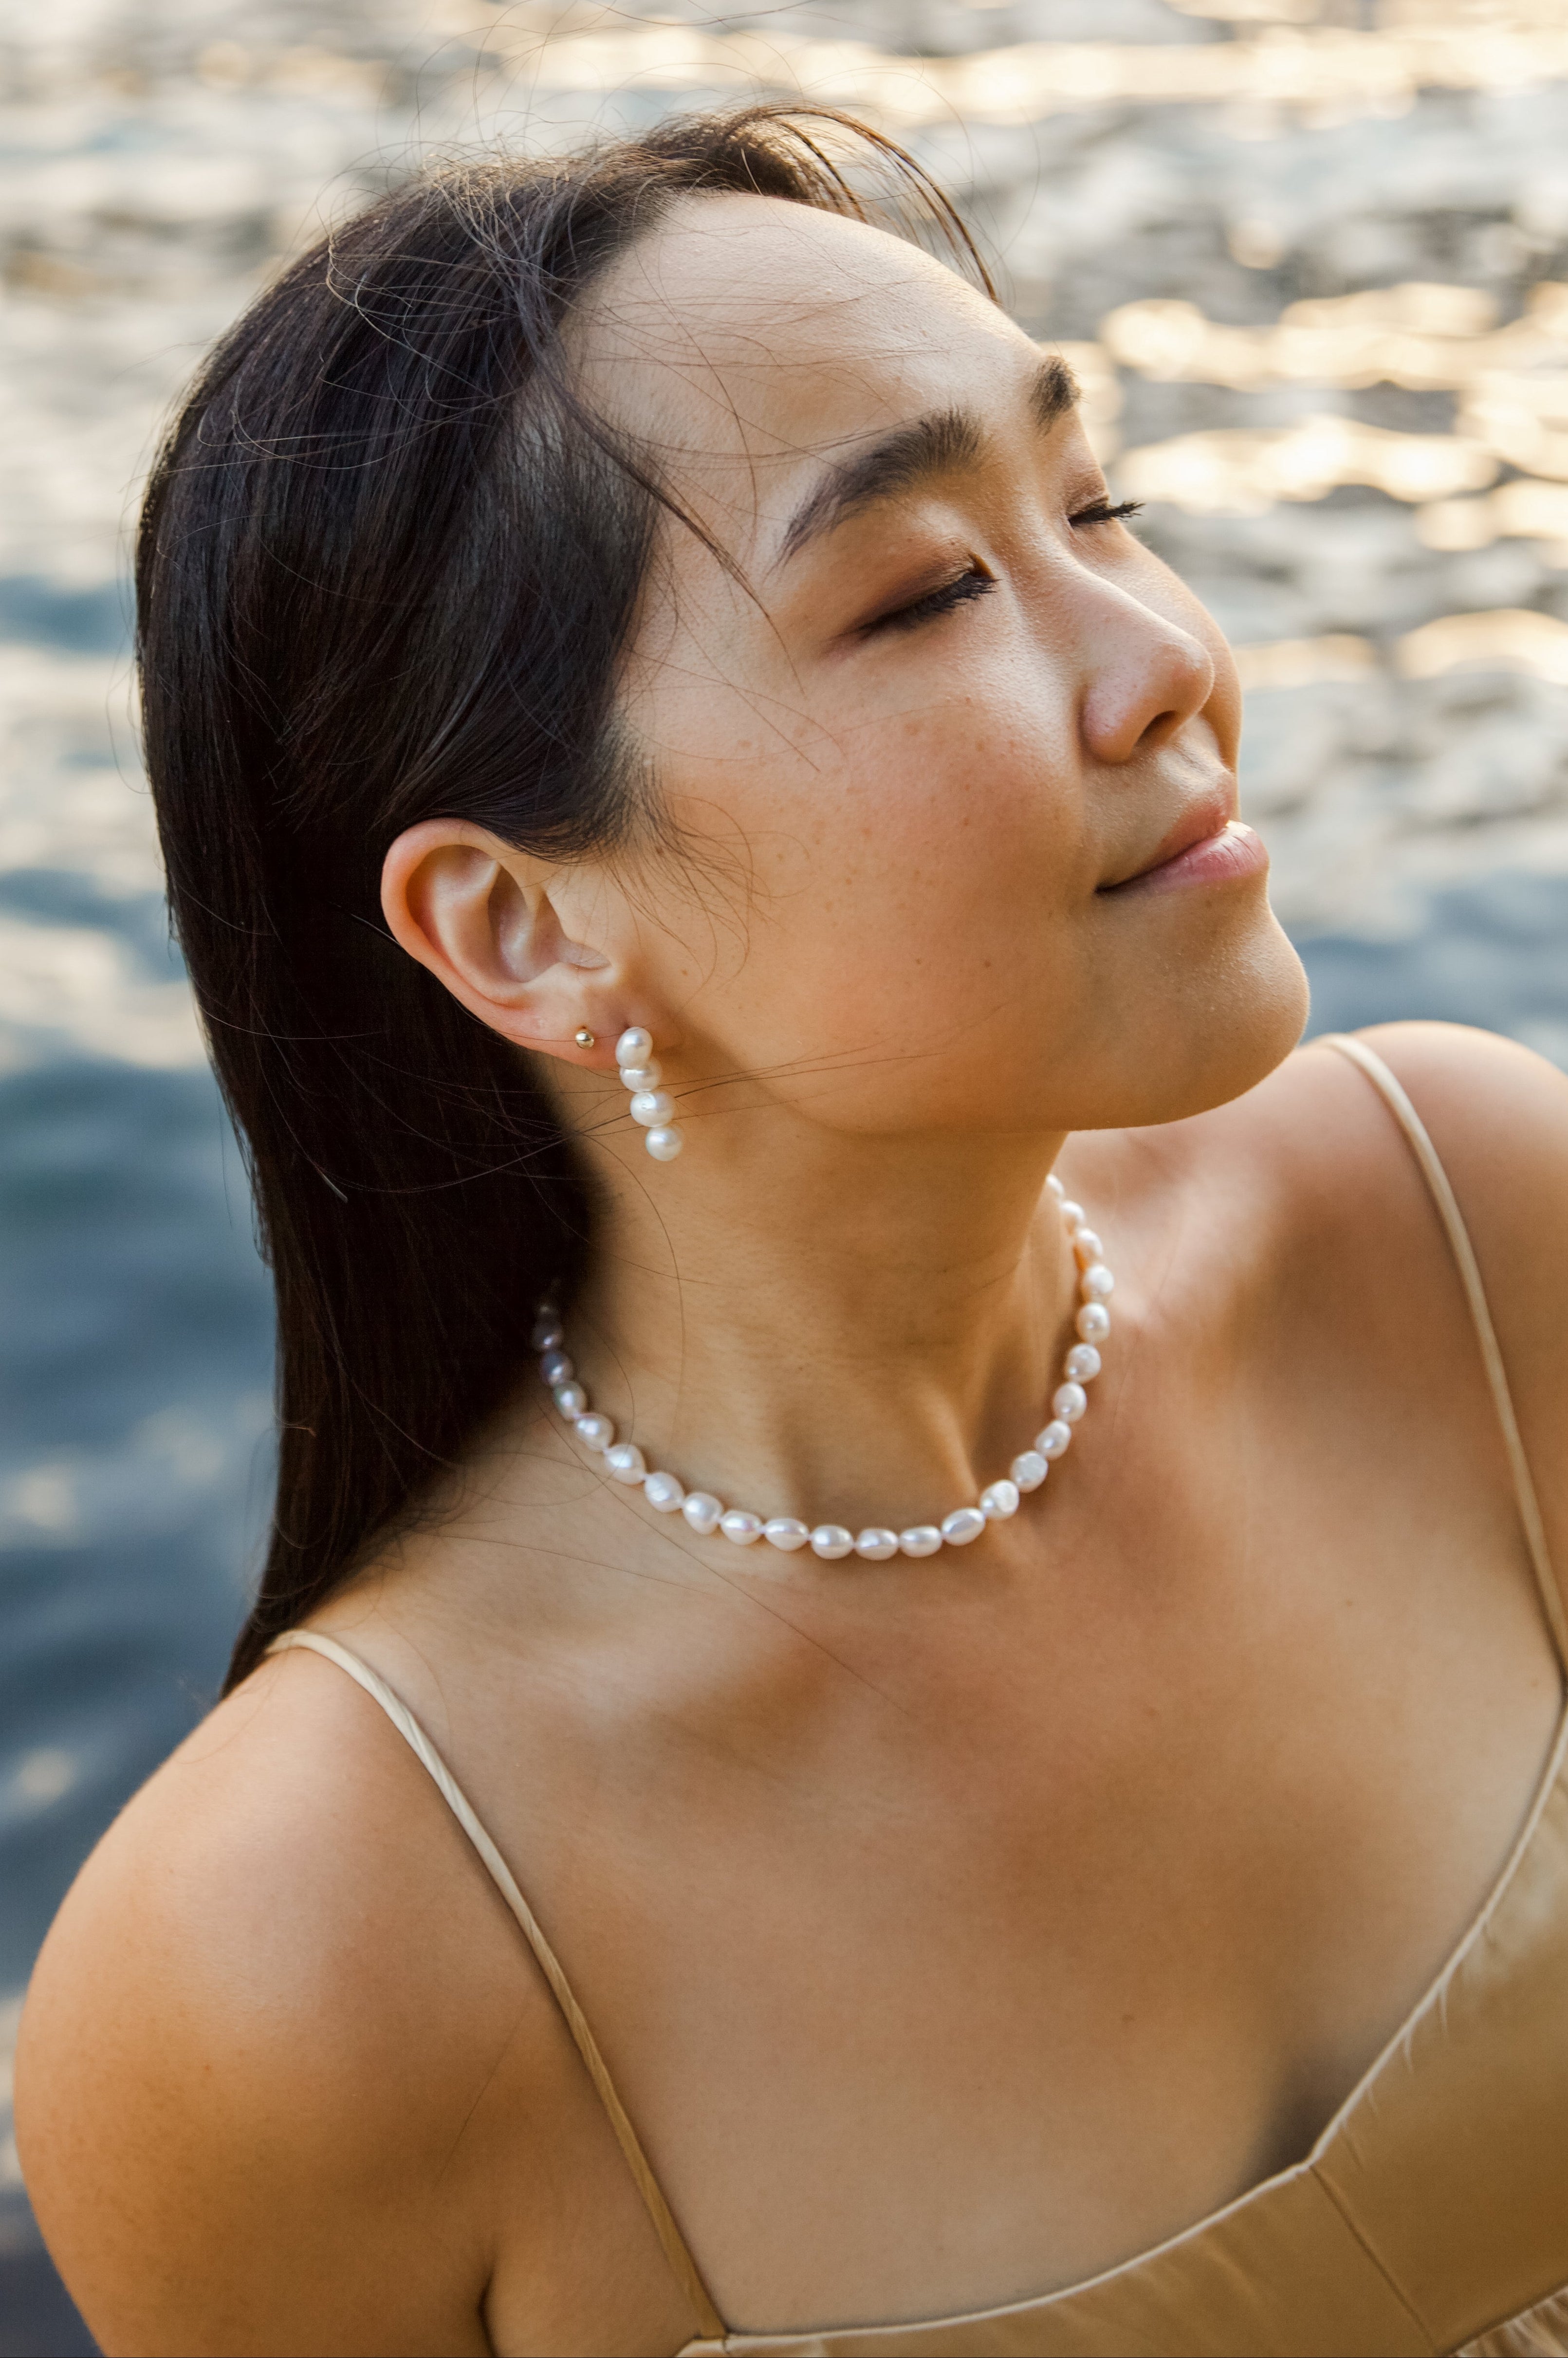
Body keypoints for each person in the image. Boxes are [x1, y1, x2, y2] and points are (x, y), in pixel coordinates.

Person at [15, 106, 1568, 2358]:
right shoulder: (310, 1946)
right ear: (519, 924)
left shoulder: (1461, 1230)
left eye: (1091, 502)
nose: (1160, 662)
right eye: (926, 588)